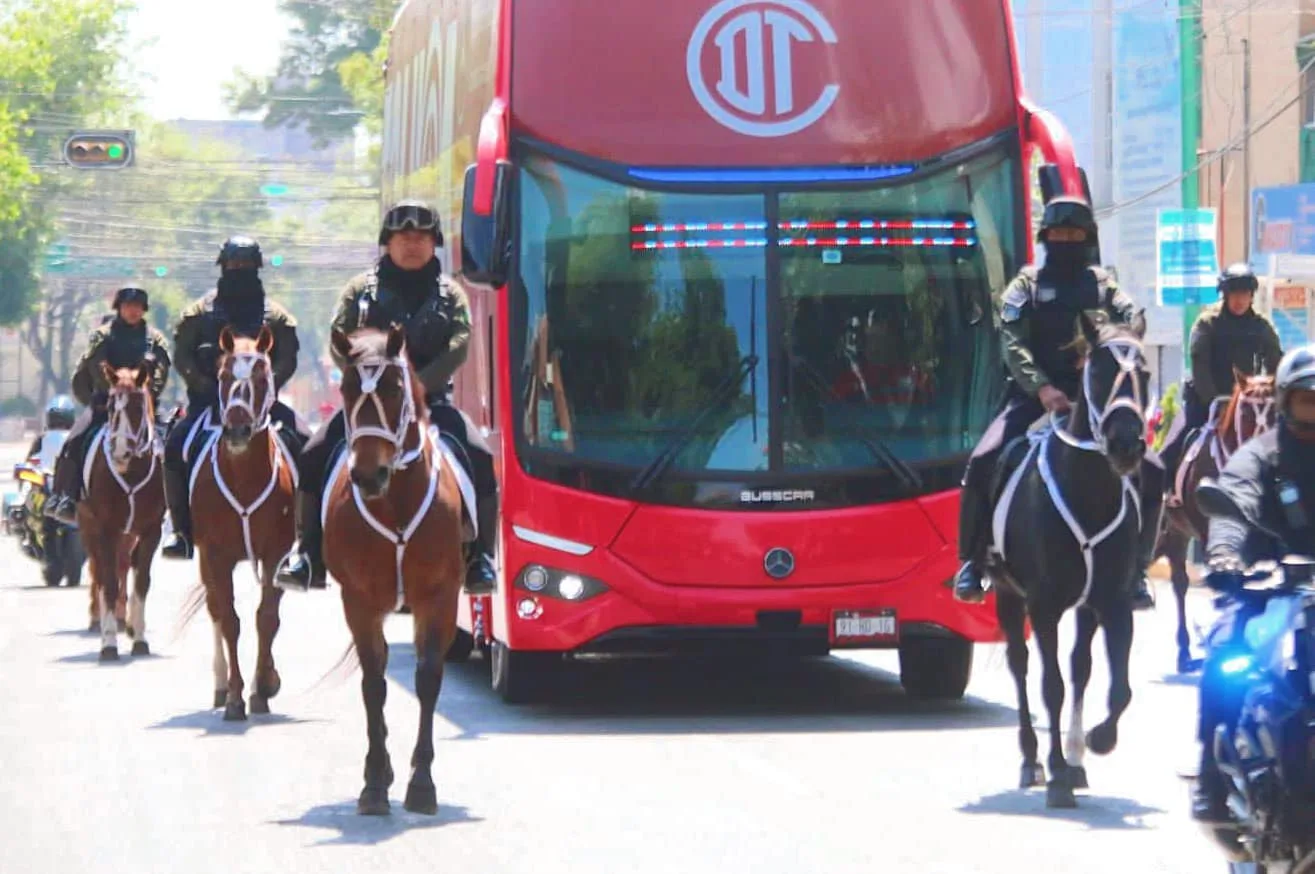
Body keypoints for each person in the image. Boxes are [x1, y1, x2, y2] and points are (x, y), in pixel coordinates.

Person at [274, 199, 498, 596]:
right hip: (368, 405)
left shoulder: (452, 294)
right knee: (312, 453)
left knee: (479, 455)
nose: (412, 244)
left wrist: (416, 388)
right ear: (387, 242)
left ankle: (481, 558)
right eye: (403, 237)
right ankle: (306, 553)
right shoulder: (359, 291)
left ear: (435, 244)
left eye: (422, 237)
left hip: (431, 403)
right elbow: (339, 339)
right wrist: (367, 382)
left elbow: (459, 346)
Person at [952, 195, 1161, 610]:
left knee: (1153, 469)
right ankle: (973, 563)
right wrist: (1042, 388)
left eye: (1075, 233)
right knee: (984, 459)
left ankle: (1136, 570)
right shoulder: (1024, 286)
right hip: (1036, 397)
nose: (1067, 240)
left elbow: (1128, 318)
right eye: (1059, 233)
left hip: (1098, 397)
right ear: (1046, 237)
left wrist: (1111, 342)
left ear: (1087, 238)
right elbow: (1011, 341)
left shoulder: (1105, 285)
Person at [1190, 343, 1315, 824]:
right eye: (1308, 401)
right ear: (1285, 403)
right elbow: (1233, 500)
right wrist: (1224, 553)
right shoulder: (1261, 456)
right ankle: (1210, 778)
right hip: (1270, 589)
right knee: (1225, 658)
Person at [160, 236, 308, 559]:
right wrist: (211, 387)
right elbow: (182, 357)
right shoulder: (198, 314)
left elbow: (288, 359)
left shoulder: (277, 317)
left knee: (308, 446)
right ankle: (182, 532)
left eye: (246, 266)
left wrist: (263, 388)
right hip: (208, 402)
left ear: (257, 269)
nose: (239, 271)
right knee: (174, 446)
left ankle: (306, 538)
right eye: (234, 265)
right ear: (223, 267)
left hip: (262, 404)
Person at [45, 287, 171, 524]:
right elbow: (95, 367)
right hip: (106, 403)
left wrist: (145, 393)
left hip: (143, 405)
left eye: (137, 306)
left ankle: (176, 505)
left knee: (173, 446)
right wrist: (116, 390)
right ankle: (64, 497)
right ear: (118, 308)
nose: (132, 311)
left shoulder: (155, 339)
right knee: (74, 441)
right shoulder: (102, 335)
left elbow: (162, 370)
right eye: (127, 306)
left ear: (143, 309)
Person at [1160, 263, 1283, 485]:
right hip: (1206, 399)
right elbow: (1200, 367)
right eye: (1234, 293)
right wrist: (1215, 401)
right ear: (1225, 295)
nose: (1239, 300)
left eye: (1245, 294)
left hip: (1248, 401)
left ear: (1252, 296)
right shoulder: (1206, 323)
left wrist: (1275, 395)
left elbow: (1276, 363)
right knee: (1174, 444)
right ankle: (1163, 493)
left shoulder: (1262, 326)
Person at [29, 395, 76, 473]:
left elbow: (28, 462)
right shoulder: (75, 439)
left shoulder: (41, 438)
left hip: (44, 479)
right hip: (66, 481)